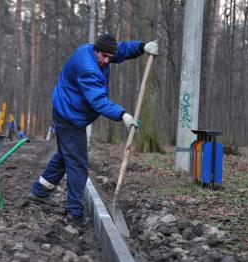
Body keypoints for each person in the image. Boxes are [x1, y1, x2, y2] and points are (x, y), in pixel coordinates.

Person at [29, 34, 158, 226]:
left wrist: (141, 47)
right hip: (69, 115)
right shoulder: (88, 68)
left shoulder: (97, 51)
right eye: (103, 56)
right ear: (95, 51)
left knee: (66, 156)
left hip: (67, 109)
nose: (107, 61)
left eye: (109, 57)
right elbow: (97, 100)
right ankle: (75, 214)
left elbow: (120, 50)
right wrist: (122, 114)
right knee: (78, 164)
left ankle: (40, 191)